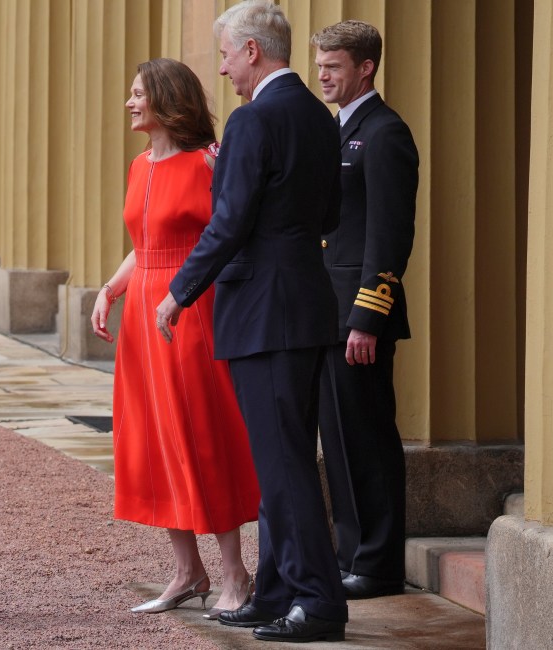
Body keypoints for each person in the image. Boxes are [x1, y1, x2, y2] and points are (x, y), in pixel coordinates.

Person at [155, 1, 347, 643]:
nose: (223, 69)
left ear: (254, 52)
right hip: (303, 301)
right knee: (280, 459)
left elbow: (229, 220)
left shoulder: (252, 119)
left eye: (228, 55)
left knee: (285, 463)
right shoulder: (322, 118)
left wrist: (180, 290)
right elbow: (330, 217)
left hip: (265, 313)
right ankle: (276, 591)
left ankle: (317, 602)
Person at [91, 57, 260, 620]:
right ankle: (188, 571)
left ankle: (236, 573)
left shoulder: (208, 162)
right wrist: (111, 289)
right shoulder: (140, 165)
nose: (130, 102)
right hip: (142, 314)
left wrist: (182, 291)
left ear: (167, 100)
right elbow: (145, 242)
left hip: (189, 309)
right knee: (153, 435)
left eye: (138, 94)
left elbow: (228, 233)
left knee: (199, 433)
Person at [311, 20, 419, 600]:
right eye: (321, 65)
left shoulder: (384, 133)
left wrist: (367, 318)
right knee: (339, 437)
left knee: (367, 439)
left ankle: (376, 565)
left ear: (365, 68)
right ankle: (350, 553)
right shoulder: (338, 131)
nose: (323, 76)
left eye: (333, 66)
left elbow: (389, 237)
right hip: (327, 314)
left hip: (358, 319)